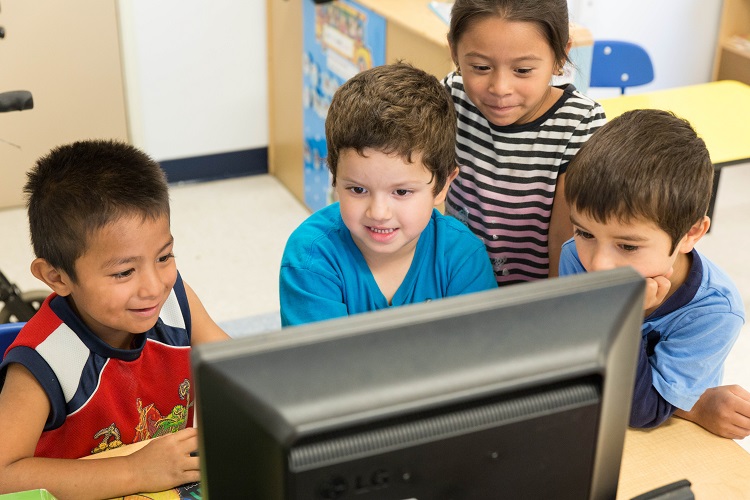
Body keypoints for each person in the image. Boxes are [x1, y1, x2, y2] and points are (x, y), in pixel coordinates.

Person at [0, 140, 231, 498]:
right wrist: (132, 471)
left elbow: (238, 373)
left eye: (164, 257)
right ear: (57, 277)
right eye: (124, 272)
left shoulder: (175, 302)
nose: (154, 287)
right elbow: (3, 474)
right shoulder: (43, 361)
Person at [559, 109, 750, 439]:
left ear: (691, 233)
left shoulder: (715, 312)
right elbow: (570, 358)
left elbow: (643, 412)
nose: (599, 264)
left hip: (663, 439)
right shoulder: (575, 256)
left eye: (628, 246)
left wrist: (628, 317)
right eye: (585, 233)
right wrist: (693, 406)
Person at [279, 62, 497, 326]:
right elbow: (322, 365)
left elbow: (480, 353)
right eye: (358, 189)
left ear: (442, 186)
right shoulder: (311, 257)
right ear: (334, 177)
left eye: (402, 191)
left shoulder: (463, 256)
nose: (378, 213)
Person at [443, 0, 606, 285]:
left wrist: (553, 312)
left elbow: (563, 241)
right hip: (455, 287)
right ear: (454, 50)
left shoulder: (580, 123)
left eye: (523, 70)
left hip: (530, 300)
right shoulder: (452, 97)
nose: (500, 88)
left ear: (560, 57)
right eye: (480, 67)